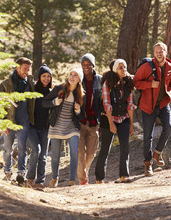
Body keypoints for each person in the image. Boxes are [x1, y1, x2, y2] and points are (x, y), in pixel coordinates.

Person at [133, 42, 171, 176]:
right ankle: (148, 165)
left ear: (166, 52)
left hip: (163, 105)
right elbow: (135, 82)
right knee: (148, 136)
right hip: (148, 105)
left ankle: (157, 153)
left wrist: (169, 95)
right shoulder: (147, 66)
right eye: (157, 51)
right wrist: (149, 84)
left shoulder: (170, 67)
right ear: (154, 54)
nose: (159, 53)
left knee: (169, 127)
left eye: (162, 50)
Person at [42, 68, 85, 187]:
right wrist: (55, 102)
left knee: (74, 152)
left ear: (79, 79)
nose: (71, 77)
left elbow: (82, 116)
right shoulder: (59, 89)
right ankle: (54, 178)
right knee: (55, 155)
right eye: (70, 74)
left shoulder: (81, 94)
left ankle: (72, 180)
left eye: (75, 75)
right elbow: (44, 102)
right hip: (57, 125)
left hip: (72, 127)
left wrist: (78, 110)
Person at [95, 59, 135, 184]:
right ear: (115, 69)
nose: (124, 70)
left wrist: (131, 124)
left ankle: (124, 175)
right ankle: (99, 178)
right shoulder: (108, 83)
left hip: (123, 118)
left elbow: (130, 105)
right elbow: (106, 104)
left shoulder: (128, 83)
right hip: (108, 118)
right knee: (105, 148)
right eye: (120, 68)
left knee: (125, 146)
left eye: (125, 67)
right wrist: (111, 124)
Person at [0, 57, 35, 184]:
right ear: (17, 68)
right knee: (8, 148)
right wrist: (3, 123)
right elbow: (0, 105)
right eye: (25, 69)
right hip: (9, 120)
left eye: (28, 70)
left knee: (22, 147)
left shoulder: (30, 83)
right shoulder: (5, 84)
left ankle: (21, 174)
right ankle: (7, 172)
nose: (27, 72)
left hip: (24, 119)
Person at [26, 65, 53, 187]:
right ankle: (30, 178)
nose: (46, 79)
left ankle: (40, 181)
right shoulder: (33, 90)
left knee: (43, 155)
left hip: (46, 128)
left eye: (48, 76)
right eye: (44, 76)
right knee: (36, 151)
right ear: (39, 77)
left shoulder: (52, 92)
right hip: (32, 127)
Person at [77, 53, 102, 185]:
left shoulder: (100, 80)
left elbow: (103, 100)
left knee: (91, 153)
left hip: (94, 122)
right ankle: (82, 179)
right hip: (80, 122)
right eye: (84, 64)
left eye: (88, 64)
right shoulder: (78, 80)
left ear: (93, 65)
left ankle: (84, 171)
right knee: (80, 152)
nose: (86, 67)